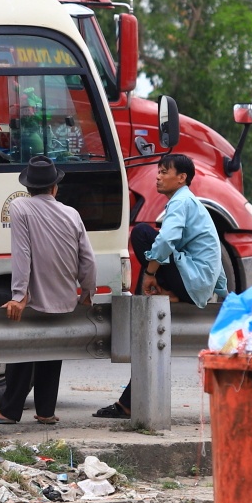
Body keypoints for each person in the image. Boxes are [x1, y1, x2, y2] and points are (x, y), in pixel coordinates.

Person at [96, 152, 226, 419]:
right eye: (158, 170)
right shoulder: (192, 204)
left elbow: (166, 241)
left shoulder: (181, 203)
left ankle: (149, 294)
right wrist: (221, 294)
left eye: (165, 171)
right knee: (153, 243)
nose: (158, 175)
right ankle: (127, 403)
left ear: (182, 178)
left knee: (142, 233)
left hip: (190, 283)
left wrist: (149, 275)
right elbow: (215, 257)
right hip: (196, 285)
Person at [0, 156, 97, 425]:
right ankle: (45, 412)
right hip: (65, 299)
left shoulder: (20, 206)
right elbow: (88, 259)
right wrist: (88, 291)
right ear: (55, 188)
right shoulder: (72, 213)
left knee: (22, 353)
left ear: (28, 188)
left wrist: (19, 295)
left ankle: (9, 411)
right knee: (51, 354)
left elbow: (22, 253)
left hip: (36, 297)